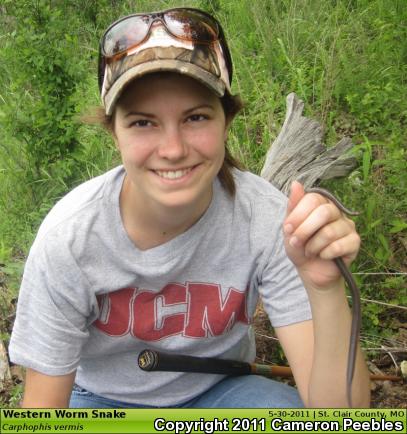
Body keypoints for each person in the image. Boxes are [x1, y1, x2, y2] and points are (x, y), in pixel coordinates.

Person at [9, 7, 370, 408]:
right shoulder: (70, 239)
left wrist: (324, 288)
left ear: (226, 120)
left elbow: (341, 418)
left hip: (221, 392)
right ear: (114, 132)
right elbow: (43, 413)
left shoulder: (269, 219)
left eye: (195, 117)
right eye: (143, 123)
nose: (174, 150)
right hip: (99, 401)